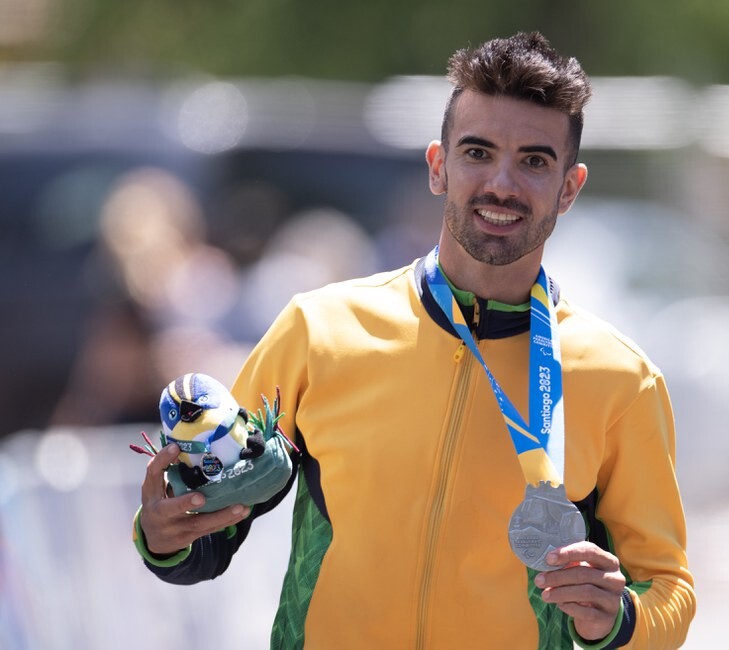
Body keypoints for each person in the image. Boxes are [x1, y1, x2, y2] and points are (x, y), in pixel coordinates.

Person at [134, 31, 695, 649]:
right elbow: (213, 523)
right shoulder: (318, 331)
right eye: (478, 152)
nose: (501, 184)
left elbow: (668, 590)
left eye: (534, 161)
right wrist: (164, 534)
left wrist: (617, 620)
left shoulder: (621, 379)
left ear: (569, 187)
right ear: (438, 166)